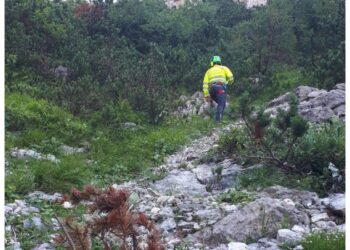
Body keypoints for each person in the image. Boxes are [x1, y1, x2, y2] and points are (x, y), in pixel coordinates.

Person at [202, 55, 234, 122]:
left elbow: (205, 84)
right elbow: (231, 78)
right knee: (221, 104)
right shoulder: (224, 68)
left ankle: (217, 119)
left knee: (222, 104)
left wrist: (206, 95)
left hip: (212, 90)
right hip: (220, 89)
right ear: (219, 61)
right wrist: (226, 83)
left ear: (212, 62)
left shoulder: (208, 71)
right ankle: (218, 122)